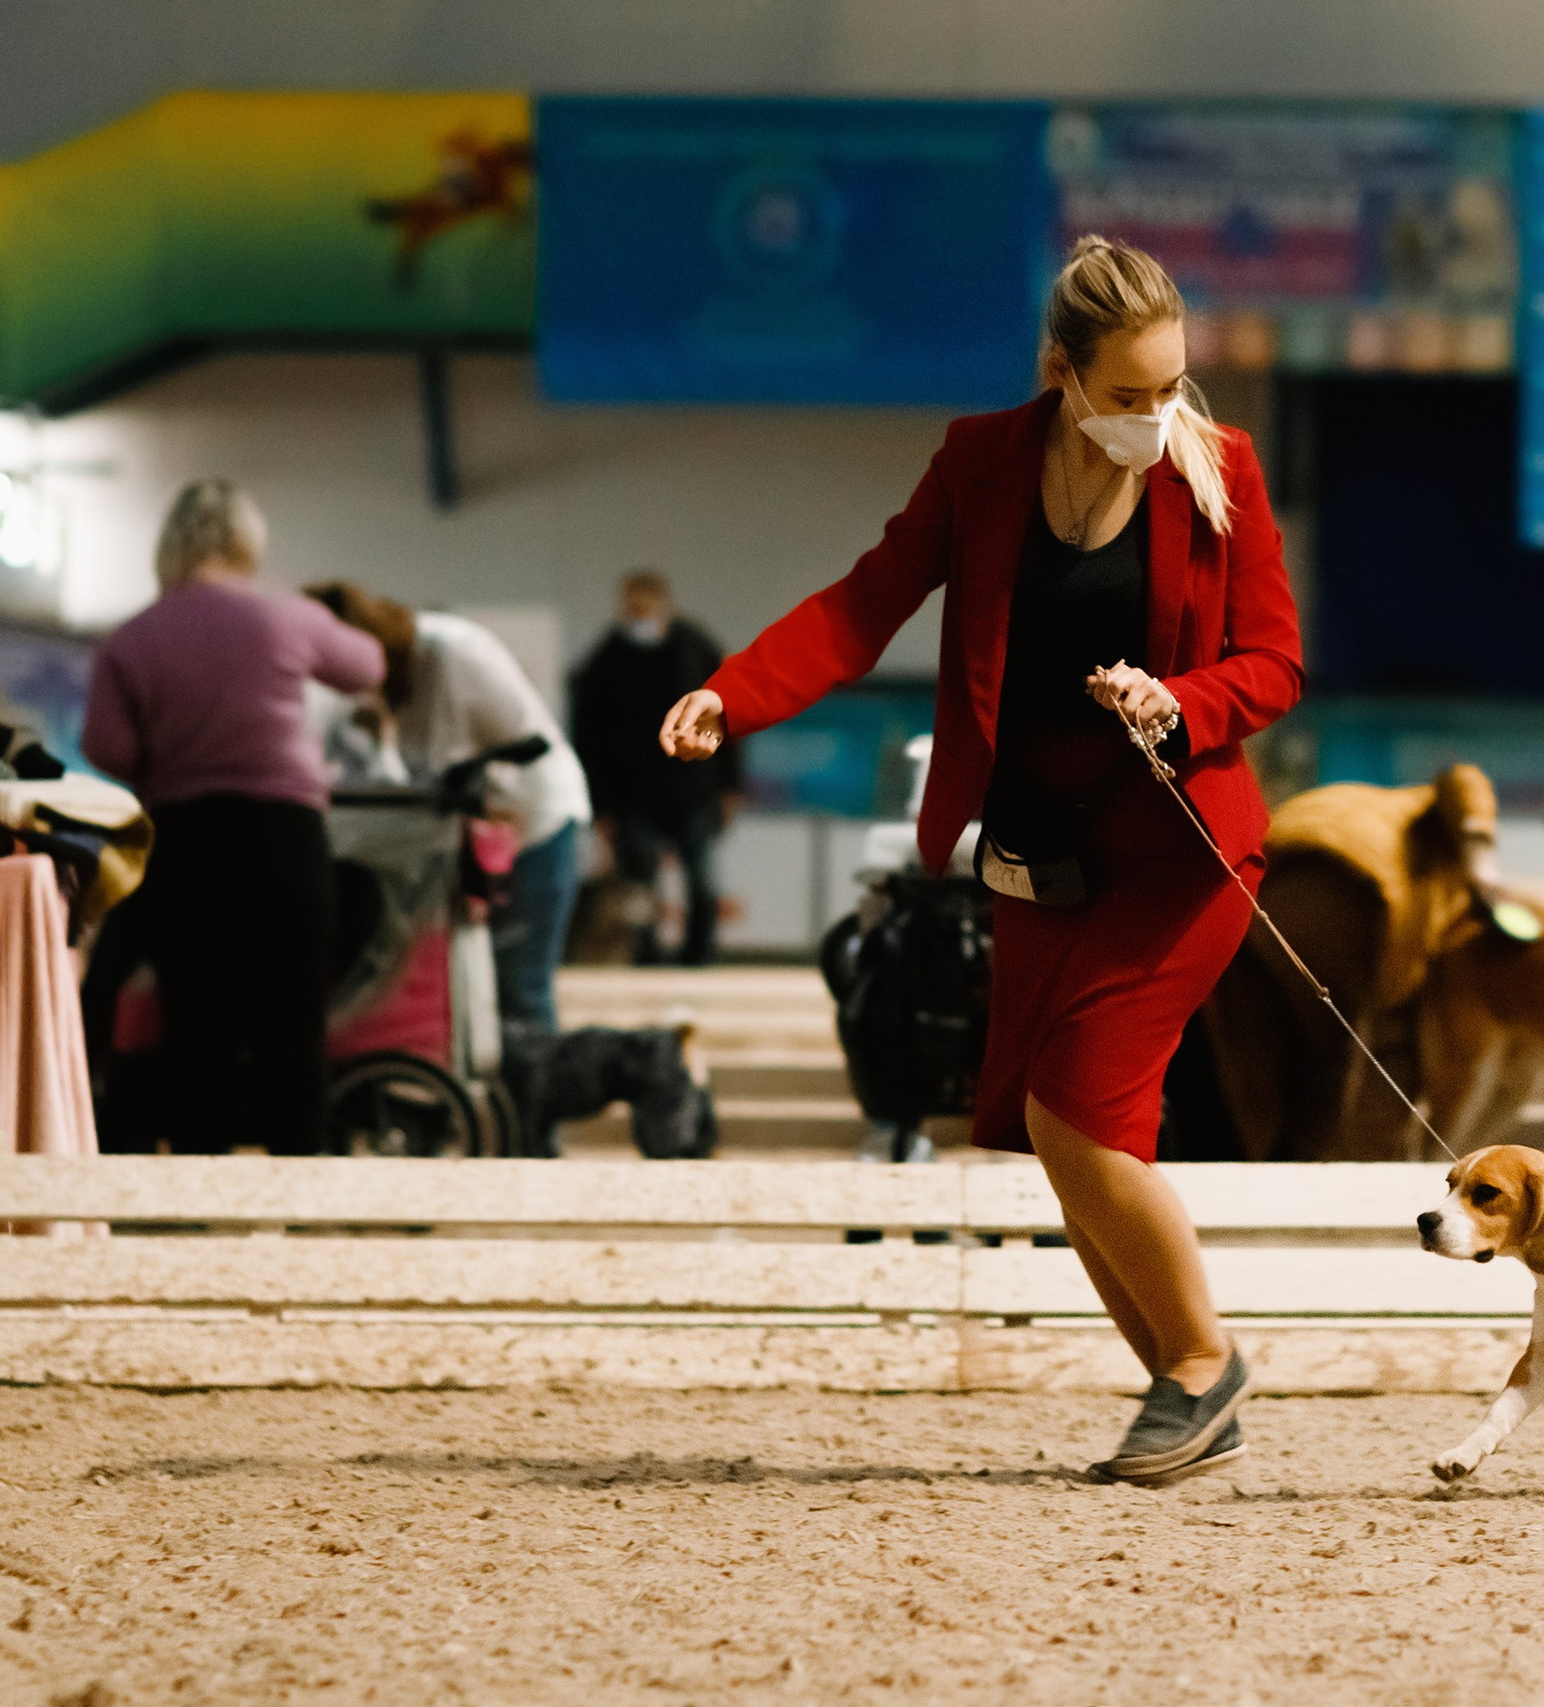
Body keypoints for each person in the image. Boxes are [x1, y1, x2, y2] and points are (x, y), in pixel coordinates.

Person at [659, 236, 1301, 1485]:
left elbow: (1273, 663)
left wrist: (1181, 701)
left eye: (1170, 387)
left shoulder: (1218, 468)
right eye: (1126, 396)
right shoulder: (980, 463)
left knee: (1079, 1113)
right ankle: (1183, 1392)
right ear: (1060, 370)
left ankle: (1199, 1368)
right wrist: (731, 696)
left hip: (1178, 859)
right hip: (1038, 860)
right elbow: (861, 604)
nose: (1154, 417)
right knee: (1055, 1139)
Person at [80, 479, 386, 1154]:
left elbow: (108, 747)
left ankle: (198, 1190)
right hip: (284, 837)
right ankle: (300, 1188)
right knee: (295, 1019)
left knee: (196, 1020)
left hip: (183, 839)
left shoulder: (132, 637)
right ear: (249, 542)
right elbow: (367, 665)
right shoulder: (283, 616)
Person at [306, 584, 593, 1033]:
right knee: (485, 993)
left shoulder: (455, 653)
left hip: (538, 825)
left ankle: (537, 1099)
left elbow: (523, 746)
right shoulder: (399, 680)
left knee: (524, 993)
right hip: (485, 833)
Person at [570, 571, 741, 965]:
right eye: (633, 607)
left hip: (695, 788)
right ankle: (646, 959)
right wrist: (599, 807)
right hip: (633, 796)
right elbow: (589, 740)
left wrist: (730, 786)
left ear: (665, 604)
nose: (640, 615)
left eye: (647, 606)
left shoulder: (696, 648)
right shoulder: (605, 660)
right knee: (640, 886)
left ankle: (700, 959)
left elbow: (727, 716)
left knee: (701, 882)